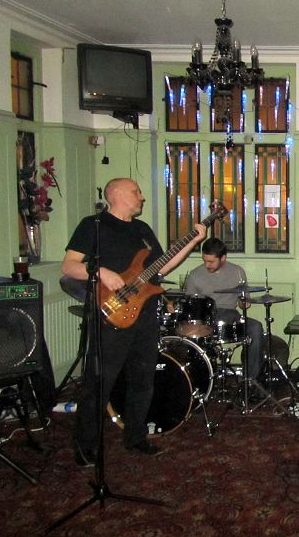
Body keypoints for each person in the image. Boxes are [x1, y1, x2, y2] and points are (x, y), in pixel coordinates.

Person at [62, 178, 206, 466]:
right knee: (99, 382)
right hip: (110, 314)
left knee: (143, 379)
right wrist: (101, 271)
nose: (141, 196)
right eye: (136, 191)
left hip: (144, 314)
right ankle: (84, 444)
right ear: (116, 195)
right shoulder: (94, 226)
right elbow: (69, 266)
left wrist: (192, 241)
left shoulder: (142, 230)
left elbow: (160, 266)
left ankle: (136, 436)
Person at [183, 237, 264, 380]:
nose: (207, 265)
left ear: (223, 258)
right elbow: (191, 306)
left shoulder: (237, 272)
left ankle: (251, 380)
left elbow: (242, 302)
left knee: (256, 327)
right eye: (205, 260)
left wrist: (244, 303)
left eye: (211, 261)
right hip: (206, 319)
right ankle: (199, 377)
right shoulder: (195, 275)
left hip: (231, 315)